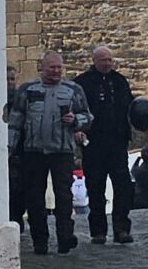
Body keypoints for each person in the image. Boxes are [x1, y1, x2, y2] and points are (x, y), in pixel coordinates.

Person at [5, 51, 89, 255]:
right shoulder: (27, 90)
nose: (56, 71)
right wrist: (9, 148)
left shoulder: (73, 90)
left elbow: (88, 115)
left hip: (62, 152)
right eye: (52, 67)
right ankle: (40, 241)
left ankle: (65, 238)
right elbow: (15, 121)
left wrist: (76, 121)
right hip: (34, 152)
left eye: (59, 67)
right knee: (34, 198)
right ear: (42, 68)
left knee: (64, 196)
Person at [76, 45, 137, 246]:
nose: (107, 63)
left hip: (117, 143)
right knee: (95, 188)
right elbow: (75, 110)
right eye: (104, 60)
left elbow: (130, 107)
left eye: (110, 60)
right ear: (95, 61)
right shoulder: (83, 83)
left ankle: (121, 229)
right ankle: (98, 231)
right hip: (94, 144)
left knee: (122, 186)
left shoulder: (120, 81)